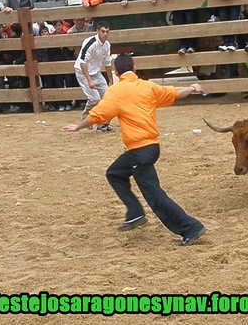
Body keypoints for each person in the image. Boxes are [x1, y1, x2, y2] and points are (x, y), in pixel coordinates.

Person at [63, 53, 207, 247]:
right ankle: (135, 213)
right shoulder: (147, 86)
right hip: (150, 147)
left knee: (155, 196)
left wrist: (77, 127)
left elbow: (98, 115)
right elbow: (173, 92)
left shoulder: (116, 91)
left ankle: (190, 227)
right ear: (135, 69)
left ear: (116, 72)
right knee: (114, 173)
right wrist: (192, 87)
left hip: (138, 150)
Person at [74, 21, 113, 131]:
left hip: (96, 72)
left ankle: (103, 123)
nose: (105, 34)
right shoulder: (90, 42)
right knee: (95, 98)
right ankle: (85, 118)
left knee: (107, 97)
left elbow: (108, 63)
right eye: (103, 31)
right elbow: (82, 61)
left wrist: (110, 81)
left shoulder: (107, 45)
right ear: (97, 31)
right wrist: (89, 80)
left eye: (107, 32)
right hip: (83, 71)